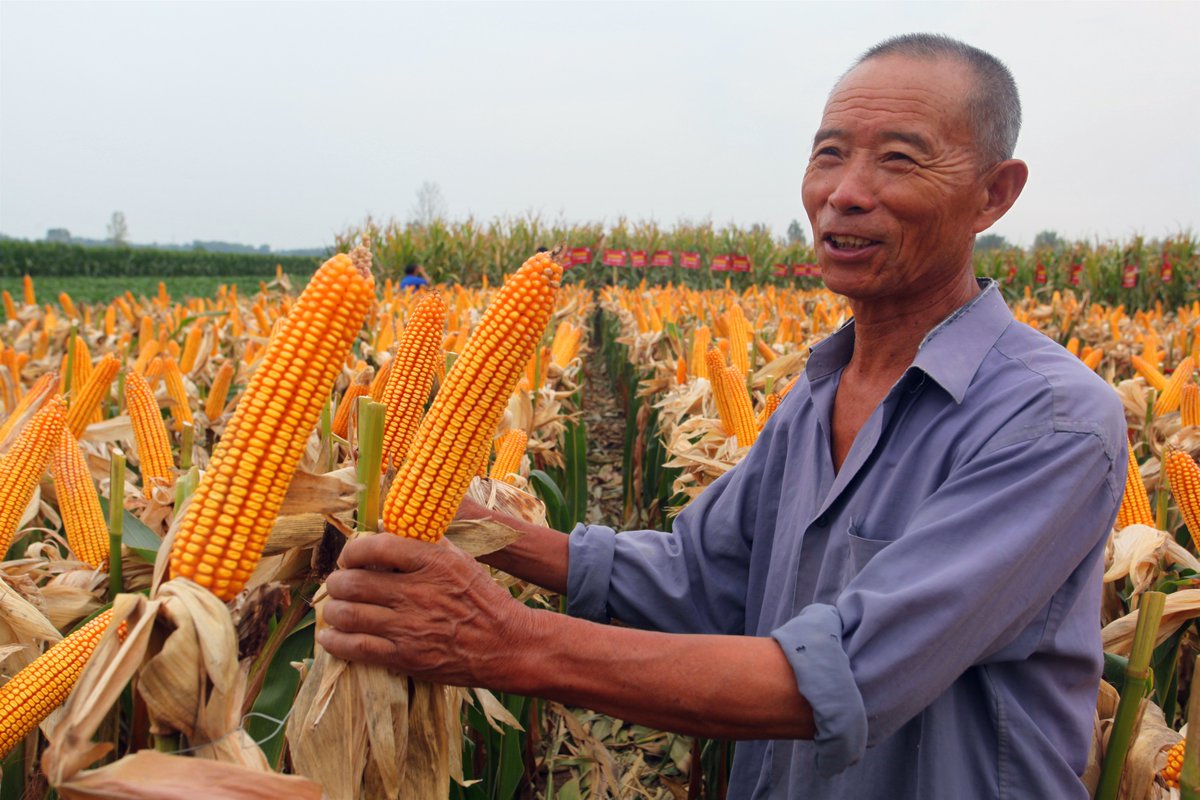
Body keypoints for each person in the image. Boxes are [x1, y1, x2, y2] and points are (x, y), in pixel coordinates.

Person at [318, 34, 1126, 799]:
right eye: (829, 154)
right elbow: (699, 581)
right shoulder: (816, 394)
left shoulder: (1051, 422)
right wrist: (489, 528)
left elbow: (843, 674)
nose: (845, 192)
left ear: (995, 193)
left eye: (899, 160)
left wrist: (505, 641)